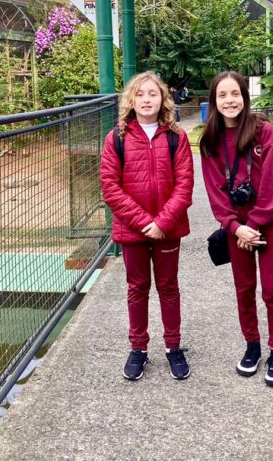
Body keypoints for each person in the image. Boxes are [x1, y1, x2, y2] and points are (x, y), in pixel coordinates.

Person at [100, 71, 195, 381]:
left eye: (152, 93)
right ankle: (138, 348)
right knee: (137, 288)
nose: (146, 99)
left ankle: (173, 346)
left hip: (167, 229)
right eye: (140, 94)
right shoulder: (117, 138)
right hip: (134, 230)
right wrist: (145, 223)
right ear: (131, 100)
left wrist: (162, 222)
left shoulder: (176, 137)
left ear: (162, 99)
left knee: (168, 287)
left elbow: (184, 184)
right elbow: (110, 187)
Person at [199, 71, 273, 388]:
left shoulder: (263, 132)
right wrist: (235, 227)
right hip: (237, 228)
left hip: (268, 222)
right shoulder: (210, 141)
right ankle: (252, 345)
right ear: (214, 101)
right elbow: (215, 192)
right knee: (244, 288)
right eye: (222, 95)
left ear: (244, 96)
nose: (229, 101)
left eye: (235, 93)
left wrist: (254, 224)